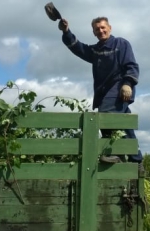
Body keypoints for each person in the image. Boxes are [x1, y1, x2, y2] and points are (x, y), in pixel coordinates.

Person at [58, 16, 142, 163]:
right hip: (104, 92)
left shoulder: (121, 43)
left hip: (120, 88)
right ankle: (136, 160)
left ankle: (113, 152)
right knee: (124, 124)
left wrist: (128, 83)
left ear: (110, 28)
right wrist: (66, 32)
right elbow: (79, 48)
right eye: (97, 29)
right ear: (94, 33)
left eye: (103, 27)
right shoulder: (96, 51)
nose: (101, 30)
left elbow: (131, 65)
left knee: (105, 114)